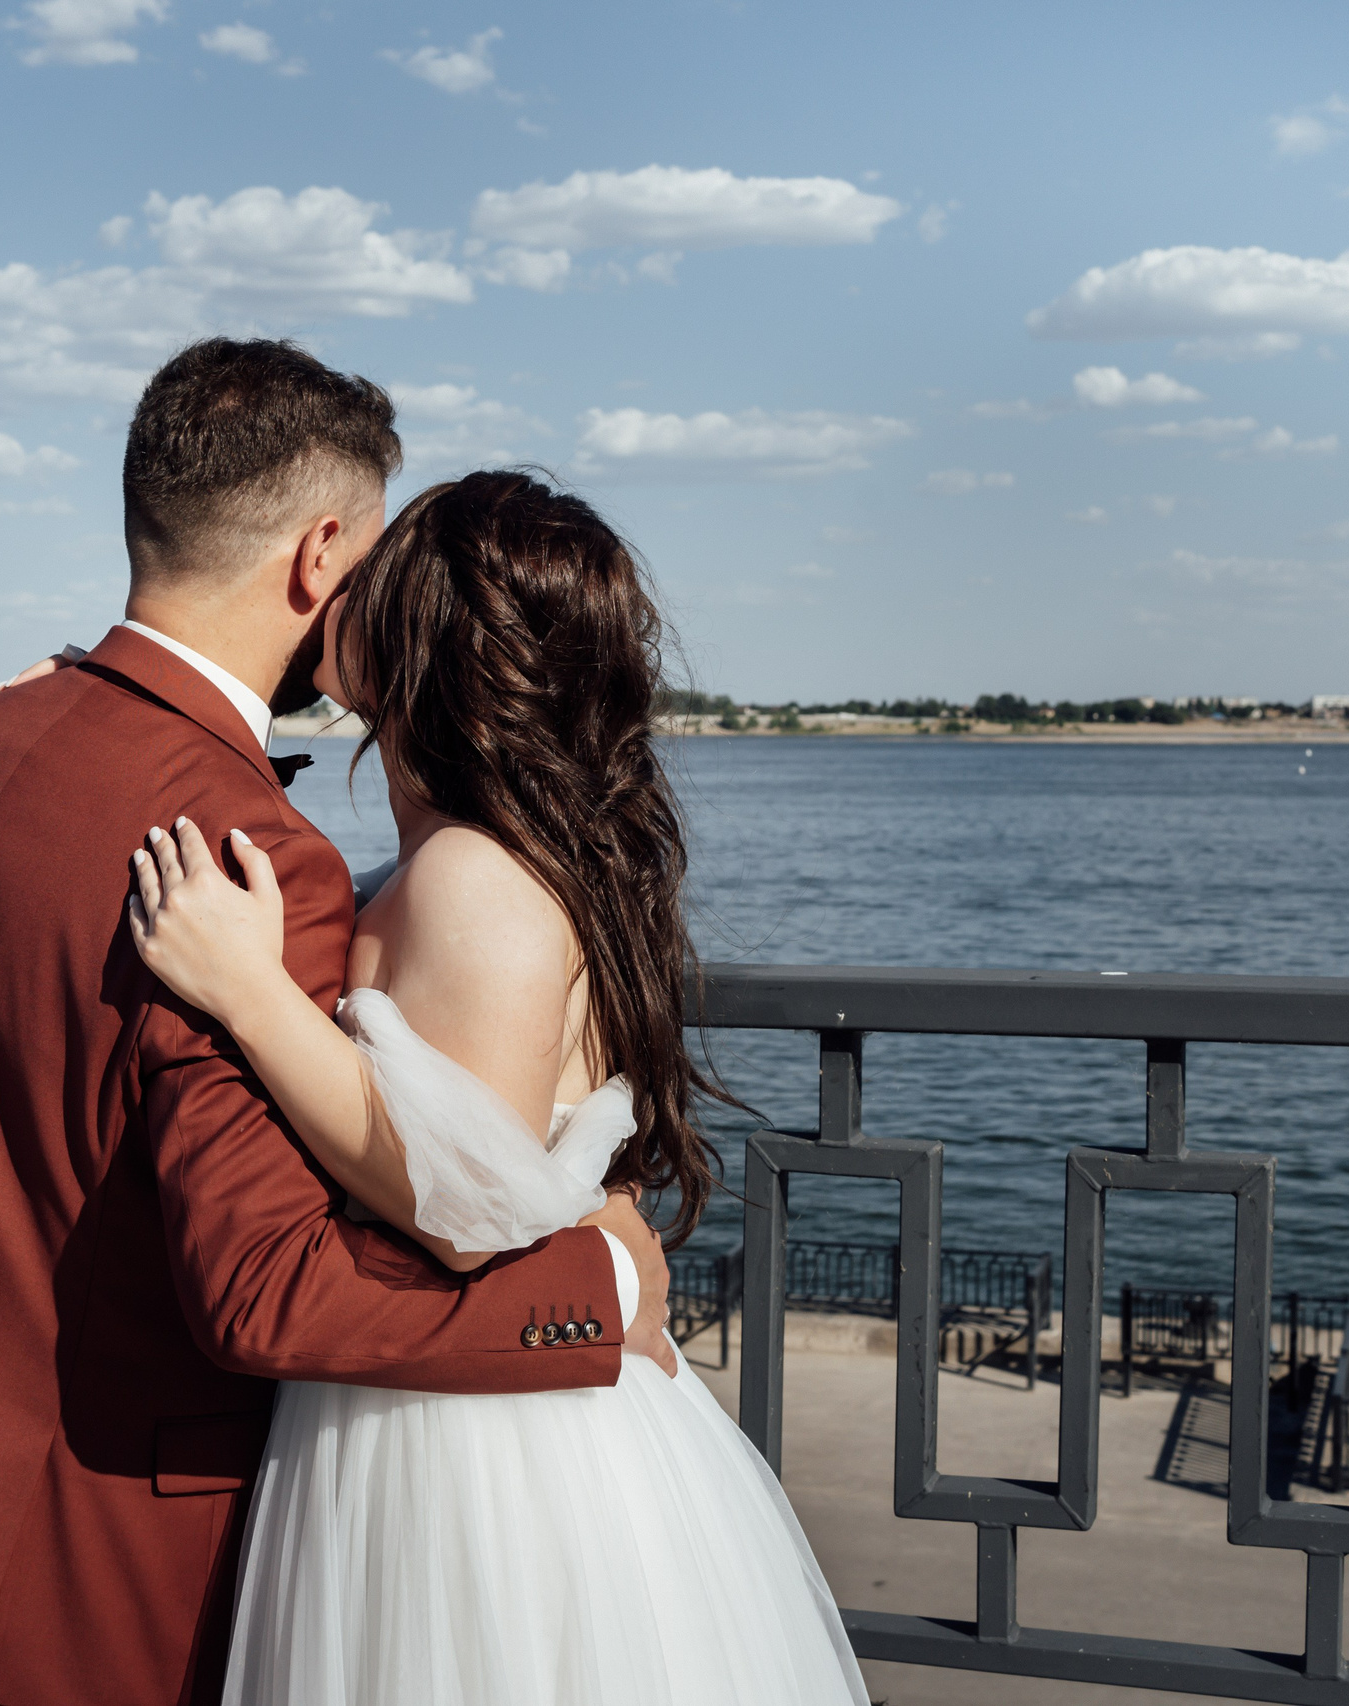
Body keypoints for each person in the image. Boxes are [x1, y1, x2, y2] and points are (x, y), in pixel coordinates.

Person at [0, 339, 674, 1706]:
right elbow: (265, 1288)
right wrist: (602, 1291)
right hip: (133, 1551)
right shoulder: (252, 852)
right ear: (321, 549)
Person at [119, 470, 870, 1706]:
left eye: (382, 567)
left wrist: (246, 991)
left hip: (472, 1447)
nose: (338, 585)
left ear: (426, 627)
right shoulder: (481, 851)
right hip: (437, 1397)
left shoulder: (473, 874)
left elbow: (463, 1202)